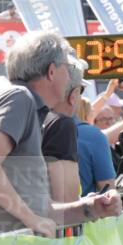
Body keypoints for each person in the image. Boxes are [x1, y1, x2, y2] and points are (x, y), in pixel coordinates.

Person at [0, 31, 122, 236]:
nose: (70, 77)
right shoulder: (20, 98)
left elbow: (43, 211)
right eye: (67, 69)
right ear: (51, 71)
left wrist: (90, 208)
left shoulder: (25, 104)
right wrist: (32, 220)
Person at [42, 61, 85, 203]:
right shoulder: (62, 124)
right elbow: (66, 199)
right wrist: (87, 206)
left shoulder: (28, 116)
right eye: (81, 92)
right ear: (74, 95)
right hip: (44, 222)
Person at [76, 101, 116, 196]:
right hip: (84, 207)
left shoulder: (44, 129)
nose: (109, 122)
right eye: (104, 119)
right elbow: (107, 186)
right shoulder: (92, 135)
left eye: (111, 118)